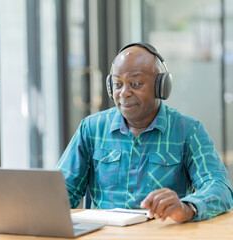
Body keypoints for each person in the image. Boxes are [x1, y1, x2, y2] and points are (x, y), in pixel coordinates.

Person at [56, 42, 233, 223]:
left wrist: (188, 207)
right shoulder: (91, 128)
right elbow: (61, 191)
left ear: (161, 87)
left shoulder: (187, 130)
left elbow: (219, 187)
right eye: (117, 84)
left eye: (135, 83)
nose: (124, 93)